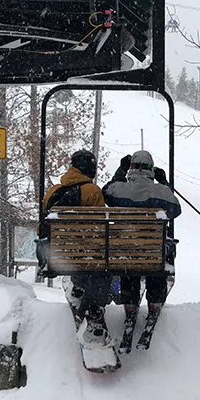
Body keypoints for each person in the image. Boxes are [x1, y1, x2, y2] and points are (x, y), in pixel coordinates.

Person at [103, 150, 182, 351]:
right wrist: (163, 184)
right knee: (156, 263)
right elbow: (175, 210)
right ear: (151, 170)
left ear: (131, 168)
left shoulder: (119, 190)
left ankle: (130, 310)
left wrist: (121, 172)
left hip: (126, 253)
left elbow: (106, 193)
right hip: (153, 255)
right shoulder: (160, 193)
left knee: (131, 268)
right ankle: (154, 306)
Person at [41, 149, 113, 348]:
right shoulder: (92, 191)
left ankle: (79, 287)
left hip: (58, 254)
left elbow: (42, 226)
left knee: (81, 259)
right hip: (88, 254)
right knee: (101, 266)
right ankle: (93, 308)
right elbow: (100, 228)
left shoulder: (53, 191)